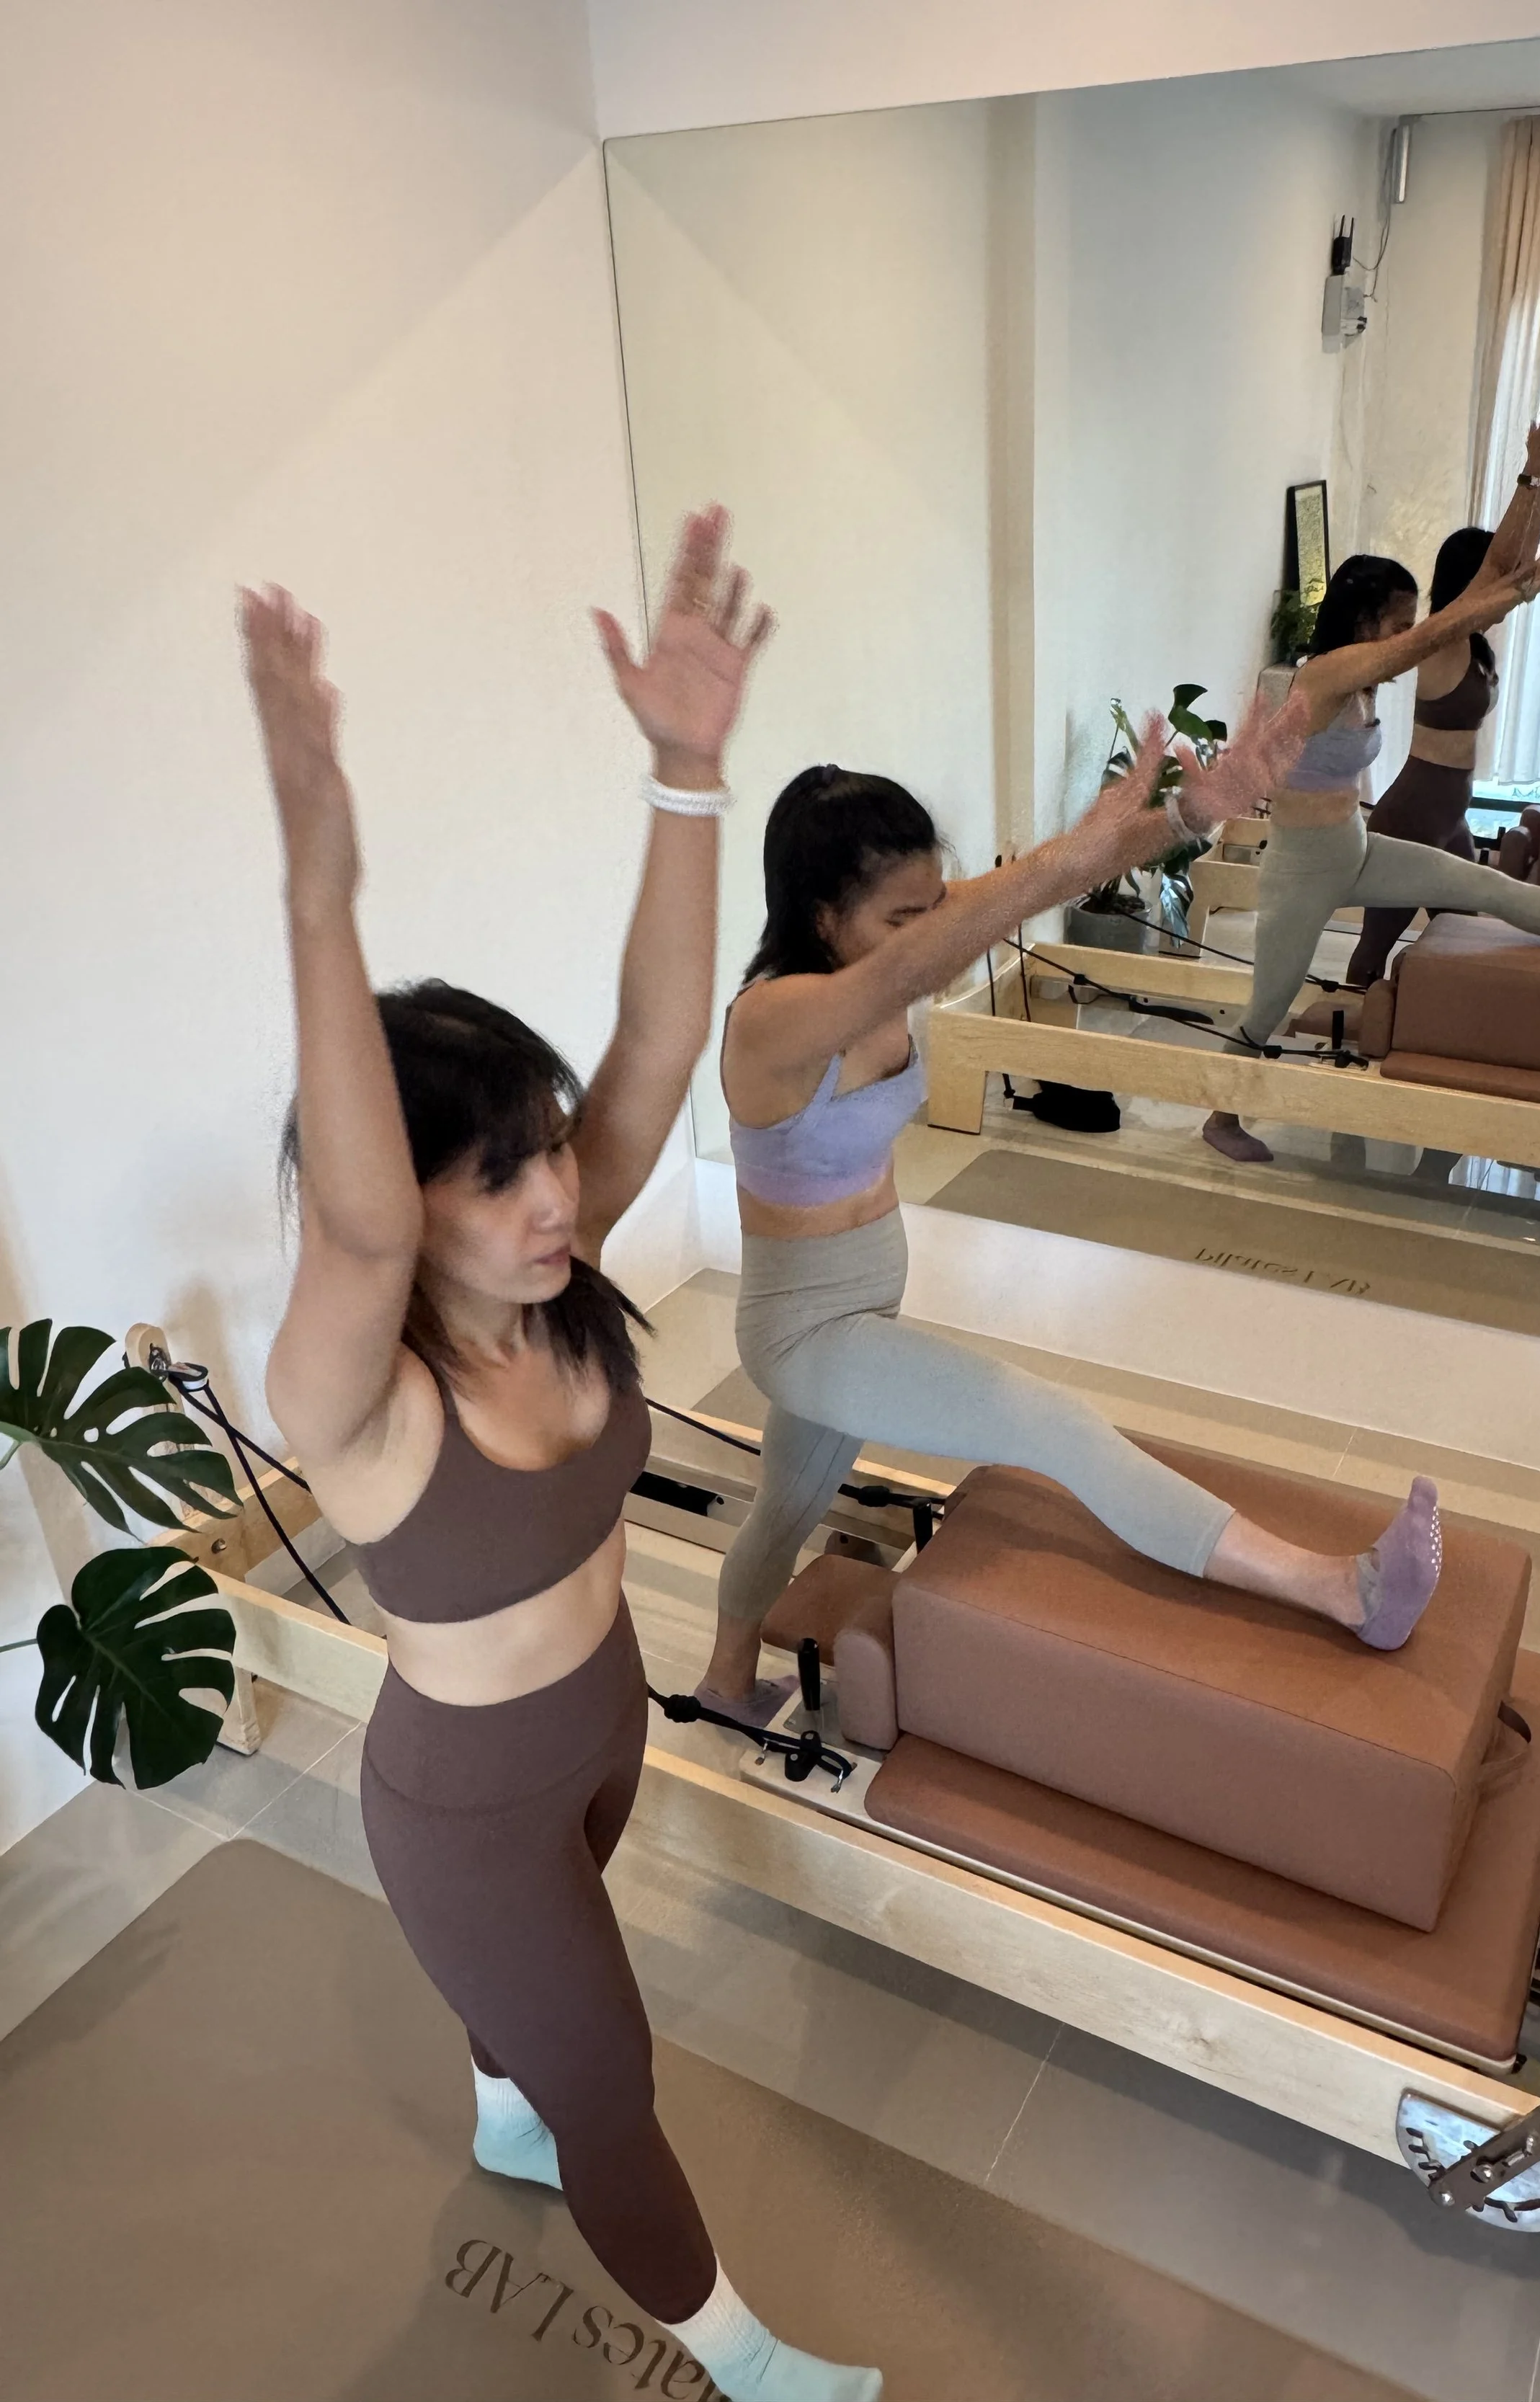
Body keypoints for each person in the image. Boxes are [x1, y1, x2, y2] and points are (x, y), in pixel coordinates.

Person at [245, 511, 886, 2402]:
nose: (557, 1192)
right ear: (405, 1207)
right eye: (498, 1170)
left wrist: (686, 774)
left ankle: (497, 2091)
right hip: (460, 1811)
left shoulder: (552, 1273)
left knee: (540, 2053)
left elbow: (660, 1035)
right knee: (621, 2086)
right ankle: (745, 2359)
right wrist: (319, 898)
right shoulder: (355, 1394)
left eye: (548, 1149)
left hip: (597, 1726)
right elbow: (360, 1231)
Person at [694, 720, 1448, 1720]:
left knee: (784, 1507)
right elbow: (932, 955)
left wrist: (1186, 813)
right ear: (824, 915)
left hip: (866, 1293)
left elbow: (1029, 891)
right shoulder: (773, 1020)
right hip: (805, 1331)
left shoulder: (889, 939)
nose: (932, 928)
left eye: (935, 902)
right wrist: (1071, 855)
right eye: (903, 917)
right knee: (1048, 1421)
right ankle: (1338, 1588)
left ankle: (724, 1680)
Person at [1197, 496, 1540, 1167]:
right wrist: (1533, 568)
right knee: (1270, 1003)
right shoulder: (1327, 675)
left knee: (1482, 883)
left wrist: (1536, 531)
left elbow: (1464, 609)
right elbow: (1446, 626)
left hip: (1357, 848)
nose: (1410, 633)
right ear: (1367, 621)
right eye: (1399, 623)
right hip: (1303, 870)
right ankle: (1221, 1117)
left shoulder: (1364, 678)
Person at [1343, 395, 1540, 989]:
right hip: (1415, 814)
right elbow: (1505, 567)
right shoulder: (1445, 641)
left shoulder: (1474, 645)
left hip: (1448, 812)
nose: (1511, 588)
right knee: (1376, 943)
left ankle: (1439, 1027)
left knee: (1461, 933)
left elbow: (1517, 563)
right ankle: (1341, 1037)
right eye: (1494, 583)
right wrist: (1537, 469)